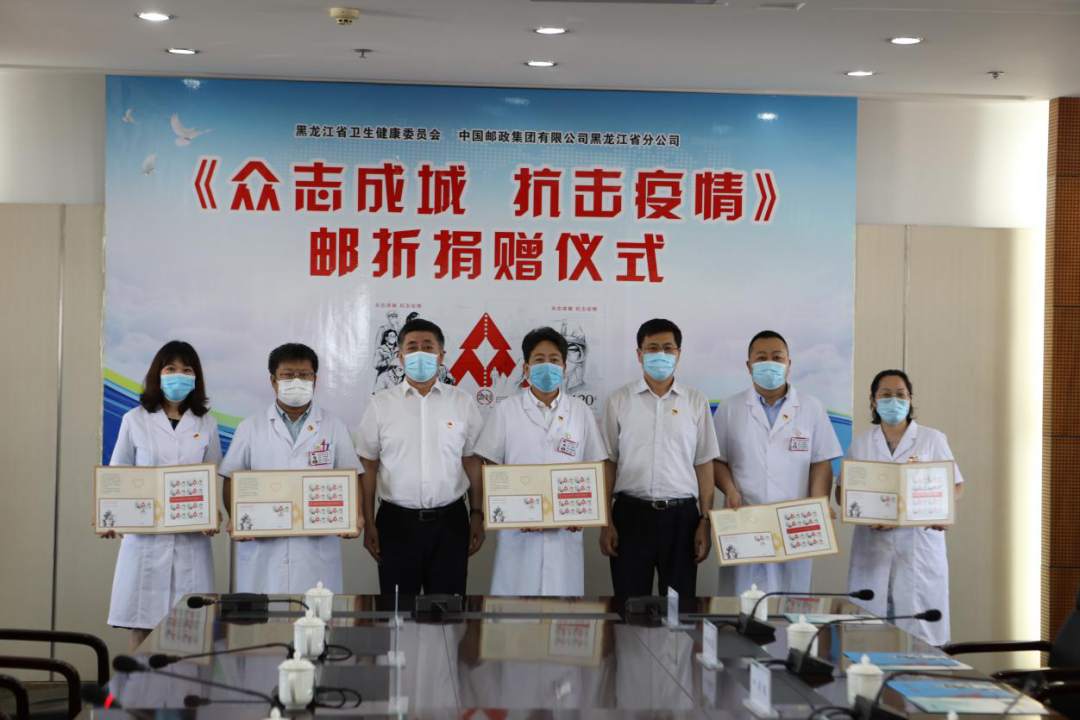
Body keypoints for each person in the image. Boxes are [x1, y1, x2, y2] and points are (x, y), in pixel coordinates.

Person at [353, 318, 485, 595]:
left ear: (441, 355)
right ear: (400, 356)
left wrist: (477, 514)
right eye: (412, 347)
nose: (420, 353)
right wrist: (369, 521)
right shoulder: (380, 405)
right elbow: (368, 464)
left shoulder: (462, 402)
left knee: (448, 611)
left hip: (451, 522)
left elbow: (472, 462)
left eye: (428, 346)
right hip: (395, 523)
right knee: (398, 610)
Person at [104, 340, 222, 650]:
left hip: (191, 540)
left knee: (190, 633)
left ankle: (186, 684)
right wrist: (111, 516)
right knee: (142, 628)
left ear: (196, 378)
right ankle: (140, 684)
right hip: (146, 541)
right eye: (171, 369)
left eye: (187, 370)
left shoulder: (206, 423)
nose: (178, 375)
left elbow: (210, 475)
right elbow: (118, 475)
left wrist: (213, 513)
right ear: (158, 373)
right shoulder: (134, 419)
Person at [474, 326, 608, 596]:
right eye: (539, 359)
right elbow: (489, 464)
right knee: (515, 614)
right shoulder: (506, 410)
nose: (547, 366)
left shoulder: (580, 412)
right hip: (517, 534)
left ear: (565, 367)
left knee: (562, 612)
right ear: (526, 368)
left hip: (565, 532)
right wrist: (510, 509)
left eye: (554, 360)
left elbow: (595, 466)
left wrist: (584, 511)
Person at [220, 343, 362, 593]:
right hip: (263, 548)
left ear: (315, 379)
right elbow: (232, 478)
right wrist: (237, 519)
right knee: (262, 616)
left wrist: (356, 516)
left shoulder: (333, 425)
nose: (296, 381)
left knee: (316, 614)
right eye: (287, 375)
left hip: (315, 550)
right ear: (273, 380)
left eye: (304, 375)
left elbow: (352, 476)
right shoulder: (250, 427)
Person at [838, 369, 963, 645]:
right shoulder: (861, 443)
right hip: (872, 547)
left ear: (910, 399)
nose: (893, 401)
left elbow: (955, 485)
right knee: (869, 631)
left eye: (900, 394)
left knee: (921, 635)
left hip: (918, 547)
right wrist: (862, 511)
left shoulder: (932, 439)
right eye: (885, 394)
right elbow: (842, 493)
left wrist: (938, 510)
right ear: (873, 401)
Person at [713, 330, 841, 594]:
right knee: (742, 602)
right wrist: (730, 490)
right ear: (749, 365)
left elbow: (821, 461)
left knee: (790, 602)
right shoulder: (730, 408)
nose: (769, 363)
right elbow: (717, 460)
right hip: (745, 519)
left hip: (794, 524)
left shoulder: (811, 407)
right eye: (761, 357)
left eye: (777, 357)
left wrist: (819, 504)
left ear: (788, 363)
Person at [600, 319, 718, 598]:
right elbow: (608, 463)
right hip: (630, 516)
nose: (660, 355)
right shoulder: (619, 400)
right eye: (652, 348)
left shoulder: (695, 401)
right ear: (639, 354)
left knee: (679, 608)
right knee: (629, 604)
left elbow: (704, 464)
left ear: (679, 353)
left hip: (682, 519)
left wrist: (705, 521)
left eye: (668, 348)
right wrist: (606, 521)